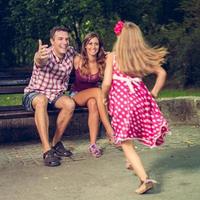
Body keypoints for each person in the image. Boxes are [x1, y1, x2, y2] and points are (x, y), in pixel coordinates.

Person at [101, 21, 169, 194]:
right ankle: (130, 161)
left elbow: (107, 82)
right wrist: (153, 93)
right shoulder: (140, 57)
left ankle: (144, 179)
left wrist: (104, 97)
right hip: (140, 99)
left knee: (125, 142)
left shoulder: (113, 57)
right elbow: (162, 73)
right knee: (130, 133)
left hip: (123, 102)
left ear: (120, 38)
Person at [22, 26, 76, 167]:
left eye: (66, 39)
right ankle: (47, 150)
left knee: (69, 104)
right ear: (52, 41)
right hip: (34, 94)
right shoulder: (44, 54)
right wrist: (38, 57)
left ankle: (55, 144)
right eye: (60, 39)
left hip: (55, 95)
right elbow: (39, 61)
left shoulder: (70, 52)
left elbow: (85, 59)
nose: (64, 42)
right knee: (42, 100)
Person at [70, 32, 114, 158]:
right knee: (97, 91)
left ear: (100, 46)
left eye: (96, 44)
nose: (93, 47)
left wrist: (110, 55)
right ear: (85, 45)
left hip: (94, 97)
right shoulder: (78, 59)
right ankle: (109, 131)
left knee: (93, 103)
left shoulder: (102, 62)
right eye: (90, 43)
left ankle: (93, 144)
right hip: (77, 95)